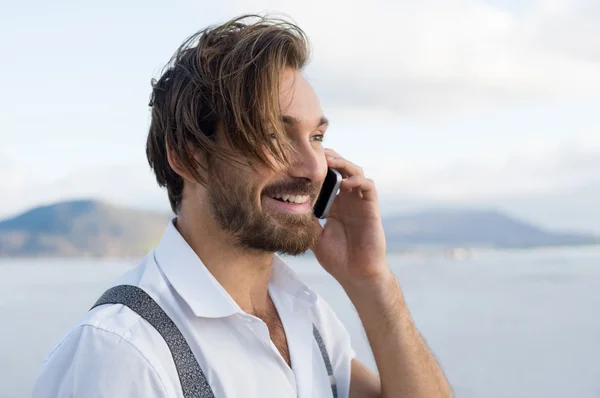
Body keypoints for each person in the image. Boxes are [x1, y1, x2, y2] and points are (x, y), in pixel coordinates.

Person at [31, 14, 453, 398]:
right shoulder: (121, 353)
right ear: (190, 157)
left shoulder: (305, 317)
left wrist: (372, 281)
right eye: (273, 134)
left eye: (317, 138)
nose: (314, 168)